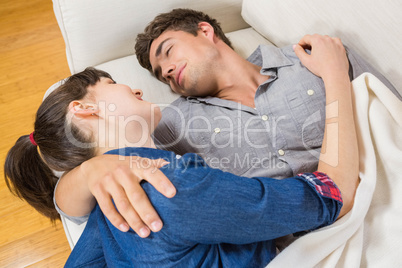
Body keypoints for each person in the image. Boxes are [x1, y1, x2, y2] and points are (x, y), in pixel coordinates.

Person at [4, 39, 359, 265]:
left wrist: (91, 170)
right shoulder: (177, 186)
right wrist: (335, 74)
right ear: (83, 109)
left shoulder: (108, 206)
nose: (141, 91)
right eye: (114, 84)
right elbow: (332, 195)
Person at [54, 8, 398, 238]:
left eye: (169, 52)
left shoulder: (311, 58)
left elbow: (390, 110)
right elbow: (75, 210)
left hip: (387, 199)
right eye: (162, 75)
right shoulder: (171, 122)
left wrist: (334, 71)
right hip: (301, 241)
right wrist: (90, 171)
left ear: (205, 31)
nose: (168, 72)